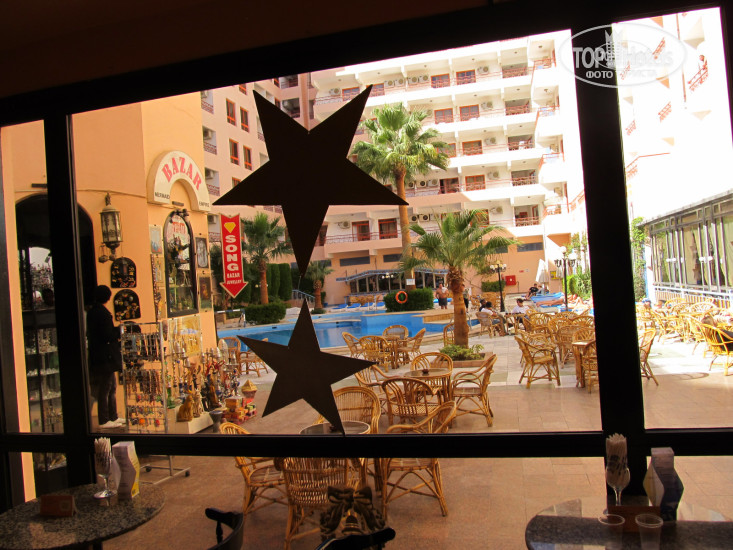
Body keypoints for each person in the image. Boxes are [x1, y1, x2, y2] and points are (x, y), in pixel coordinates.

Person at [87, 285, 124, 429]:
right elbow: (107, 335)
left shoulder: (93, 312)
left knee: (110, 386)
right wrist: (118, 331)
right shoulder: (102, 313)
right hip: (105, 356)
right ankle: (104, 419)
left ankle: (112, 416)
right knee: (106, 387)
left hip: (100, 356)